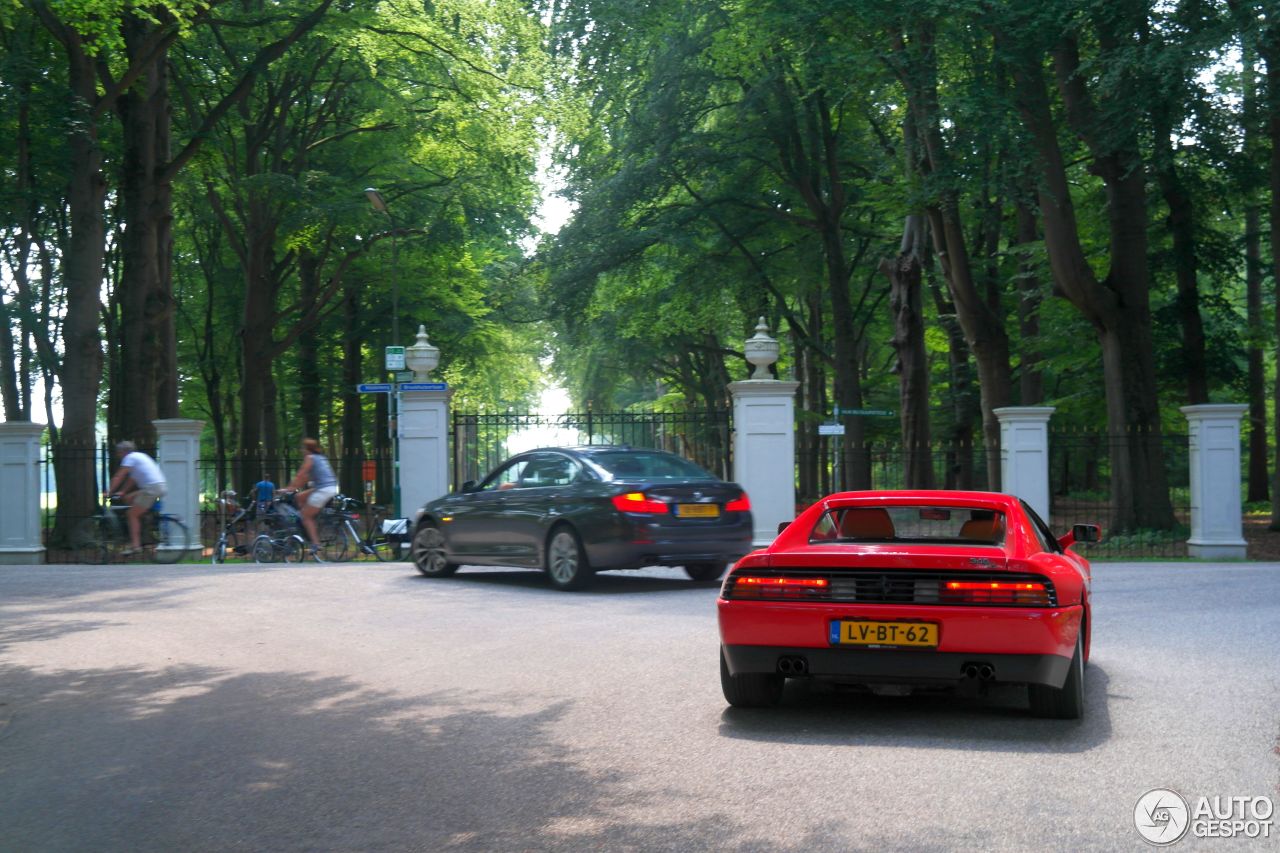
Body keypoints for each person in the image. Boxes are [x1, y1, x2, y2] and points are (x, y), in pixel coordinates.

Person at [105, 441, 168, 555]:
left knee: (132, 514)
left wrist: (109, 492)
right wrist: (123, 492)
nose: (118, 456)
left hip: (150, 488)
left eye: (118, 453)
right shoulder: (140, 456)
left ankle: (135, 546)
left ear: (123, 452)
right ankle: (146, 520)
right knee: (129, 498)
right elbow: (132, 479)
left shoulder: (129, 458)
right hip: (159, 486)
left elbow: (119, 476)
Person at [284, 438, 338, 556]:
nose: (302, 450)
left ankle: (315, 543)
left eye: (303, 448)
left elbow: (301, 474)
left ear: (307, 449)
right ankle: (308, 521)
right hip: (331, 487)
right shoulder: (322, 458)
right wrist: (295, 487)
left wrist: (289, 488)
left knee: (305, 516)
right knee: (299, 496)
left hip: (323, 489)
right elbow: (307, 477)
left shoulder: (310, 458)